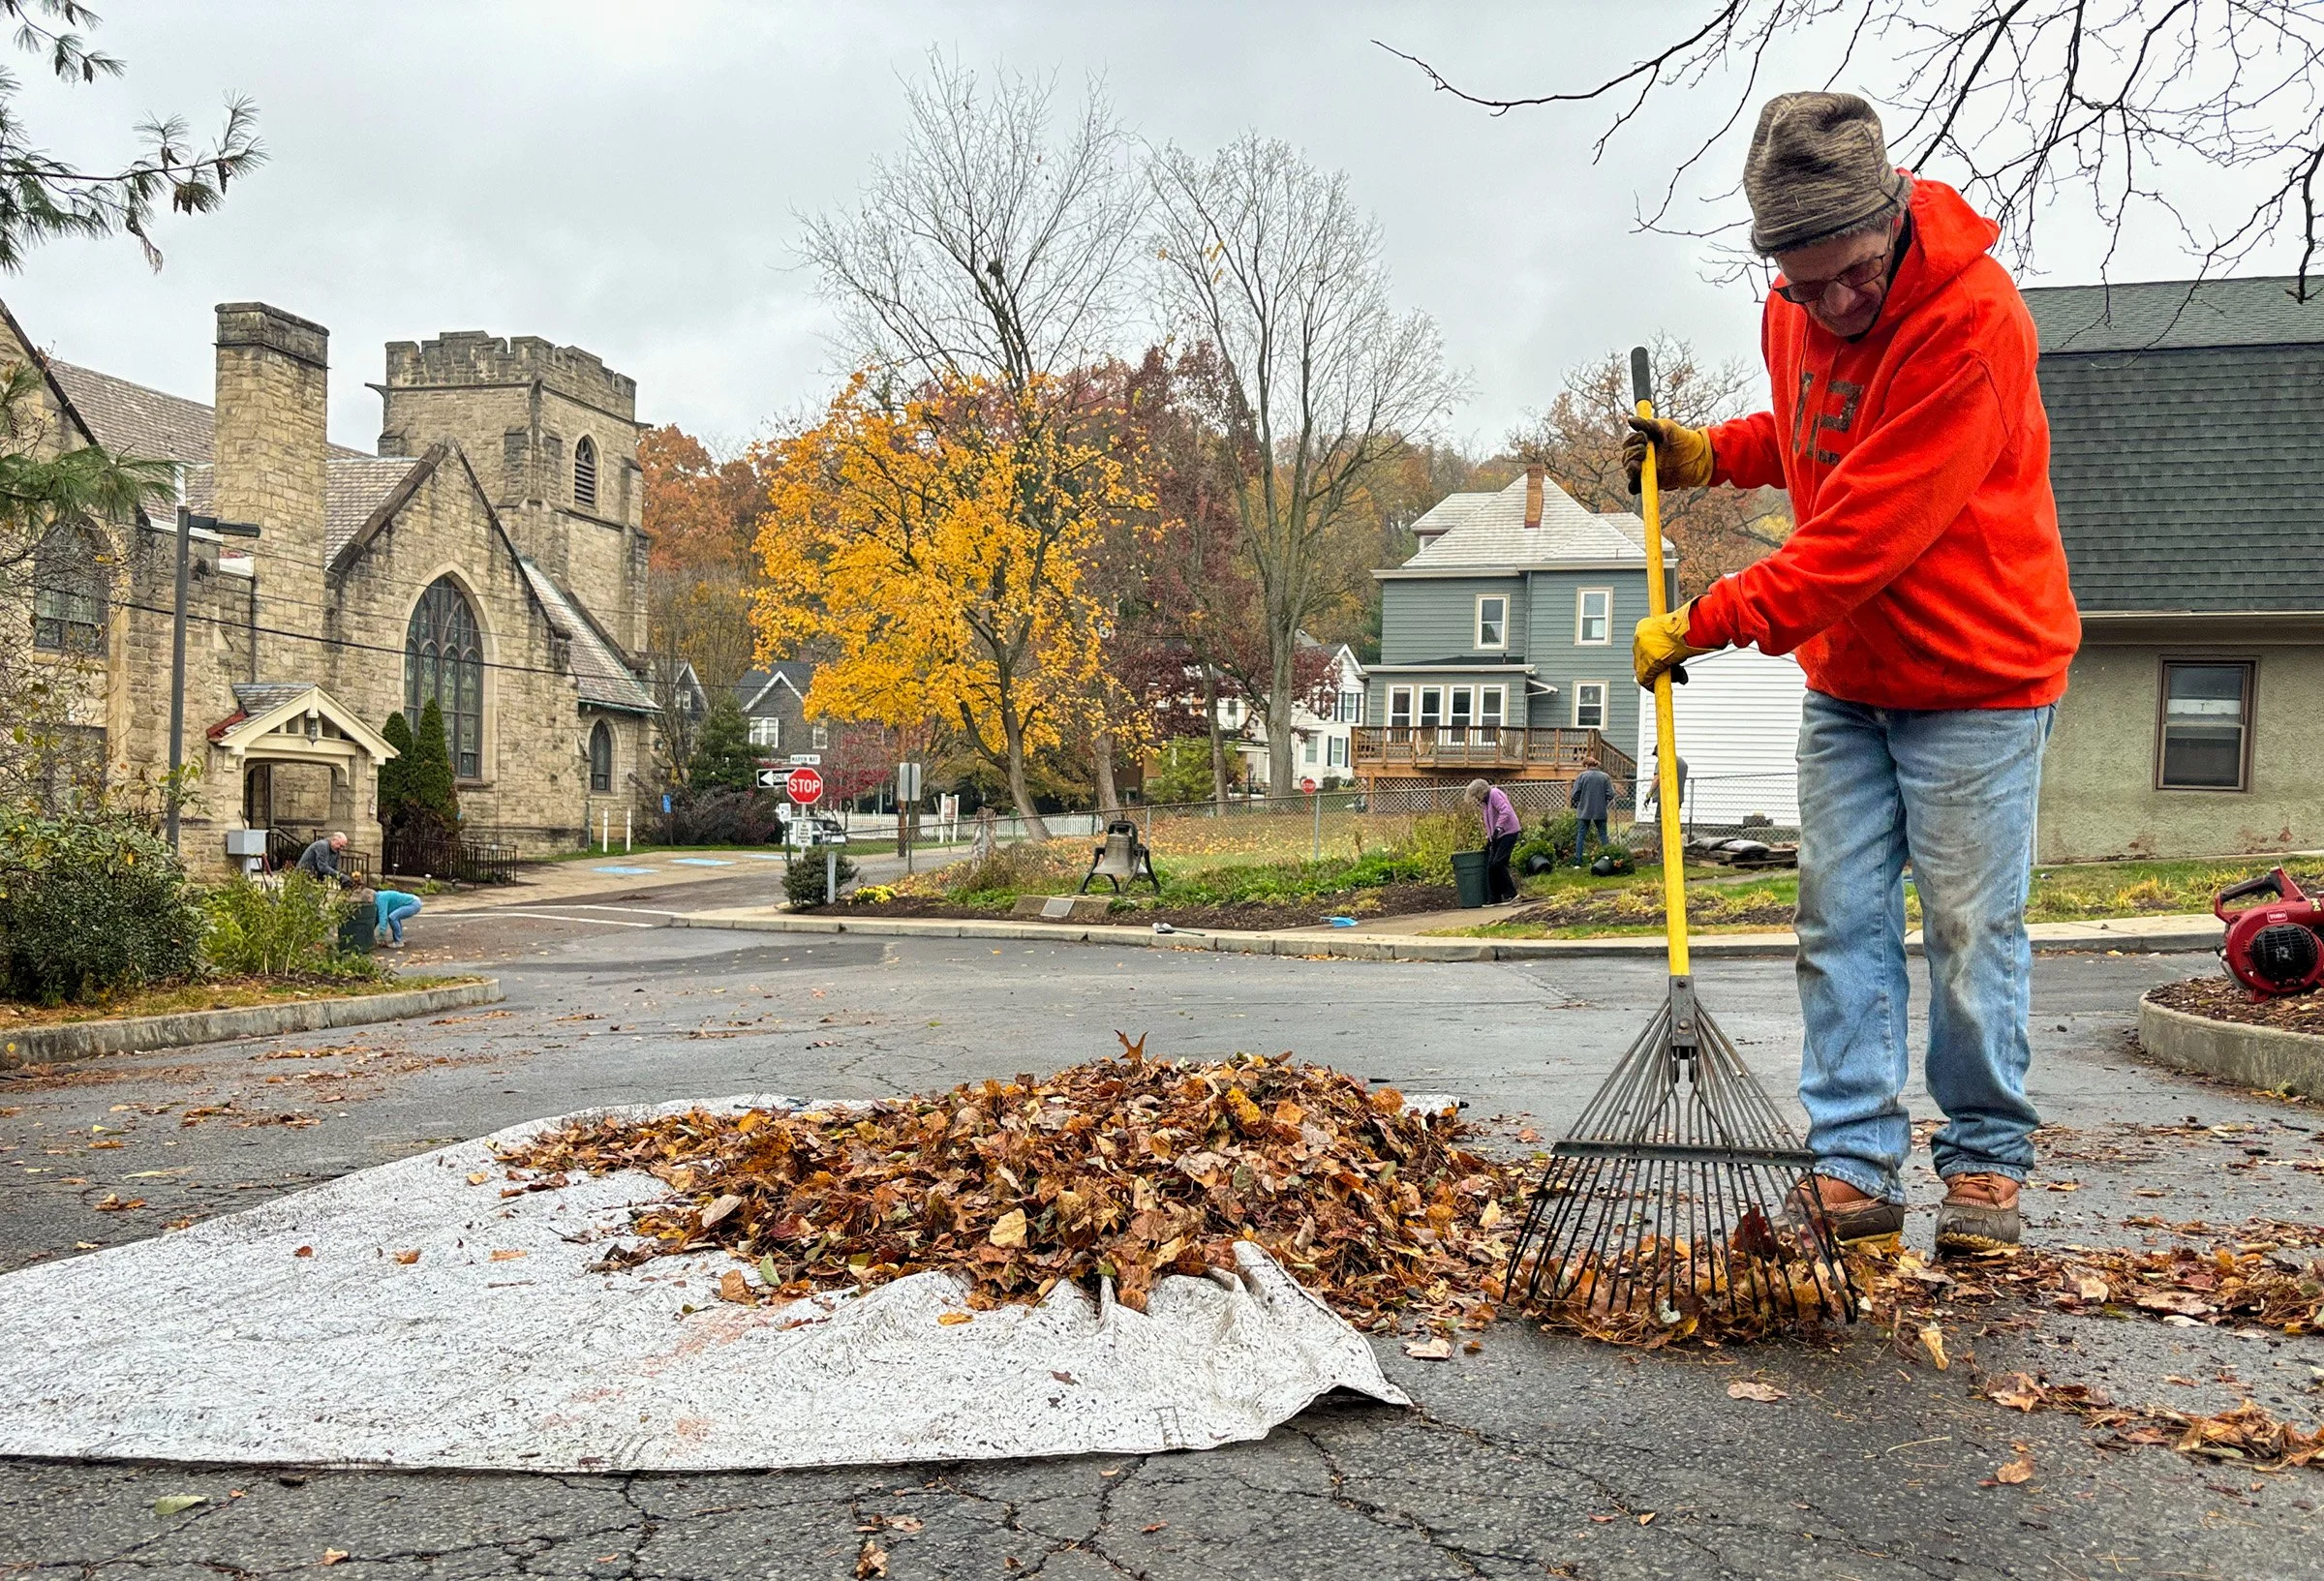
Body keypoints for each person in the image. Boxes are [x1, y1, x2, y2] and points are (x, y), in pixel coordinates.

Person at [1626, 92, 2077, 1258]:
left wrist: (1705, 621)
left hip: (1978, 674)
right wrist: (1710, 453)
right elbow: (1816, 426)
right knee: (1839, 920)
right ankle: (1855, 1163)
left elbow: (1862, 531)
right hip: (1852, 678)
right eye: (1802, 283)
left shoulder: (1974, 323)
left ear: (1893, 224)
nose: (1833, 305)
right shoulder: (1801, 306)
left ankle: (1983, 1162)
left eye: (1854, 277)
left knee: (1973, 928)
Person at [1465, 778, 1522, 904]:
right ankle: (1495, 897)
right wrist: (1490, 839)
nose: (1476, 799)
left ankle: (1512, 894)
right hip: (1498, 835)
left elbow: (1505, 811)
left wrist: (1498, 828)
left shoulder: (1495, 794)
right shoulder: (1485, 803)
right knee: (1491, 866)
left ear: (1480, 792)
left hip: (1509, 832)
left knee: (1498, 863)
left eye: (1476, 796)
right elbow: (1489, 822)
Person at [1568, 757, 1613, 868]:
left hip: (1584, 810)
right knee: (1603, 835)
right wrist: (1604, 800)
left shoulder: (1582, 776)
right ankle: (1607, 858)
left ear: (1586, 765)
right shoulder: (1605, 777)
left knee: (1581, 835)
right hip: (1600, 810)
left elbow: (1574, 794)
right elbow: (1611, 794)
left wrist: (1580, 800)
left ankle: (1578, 862)